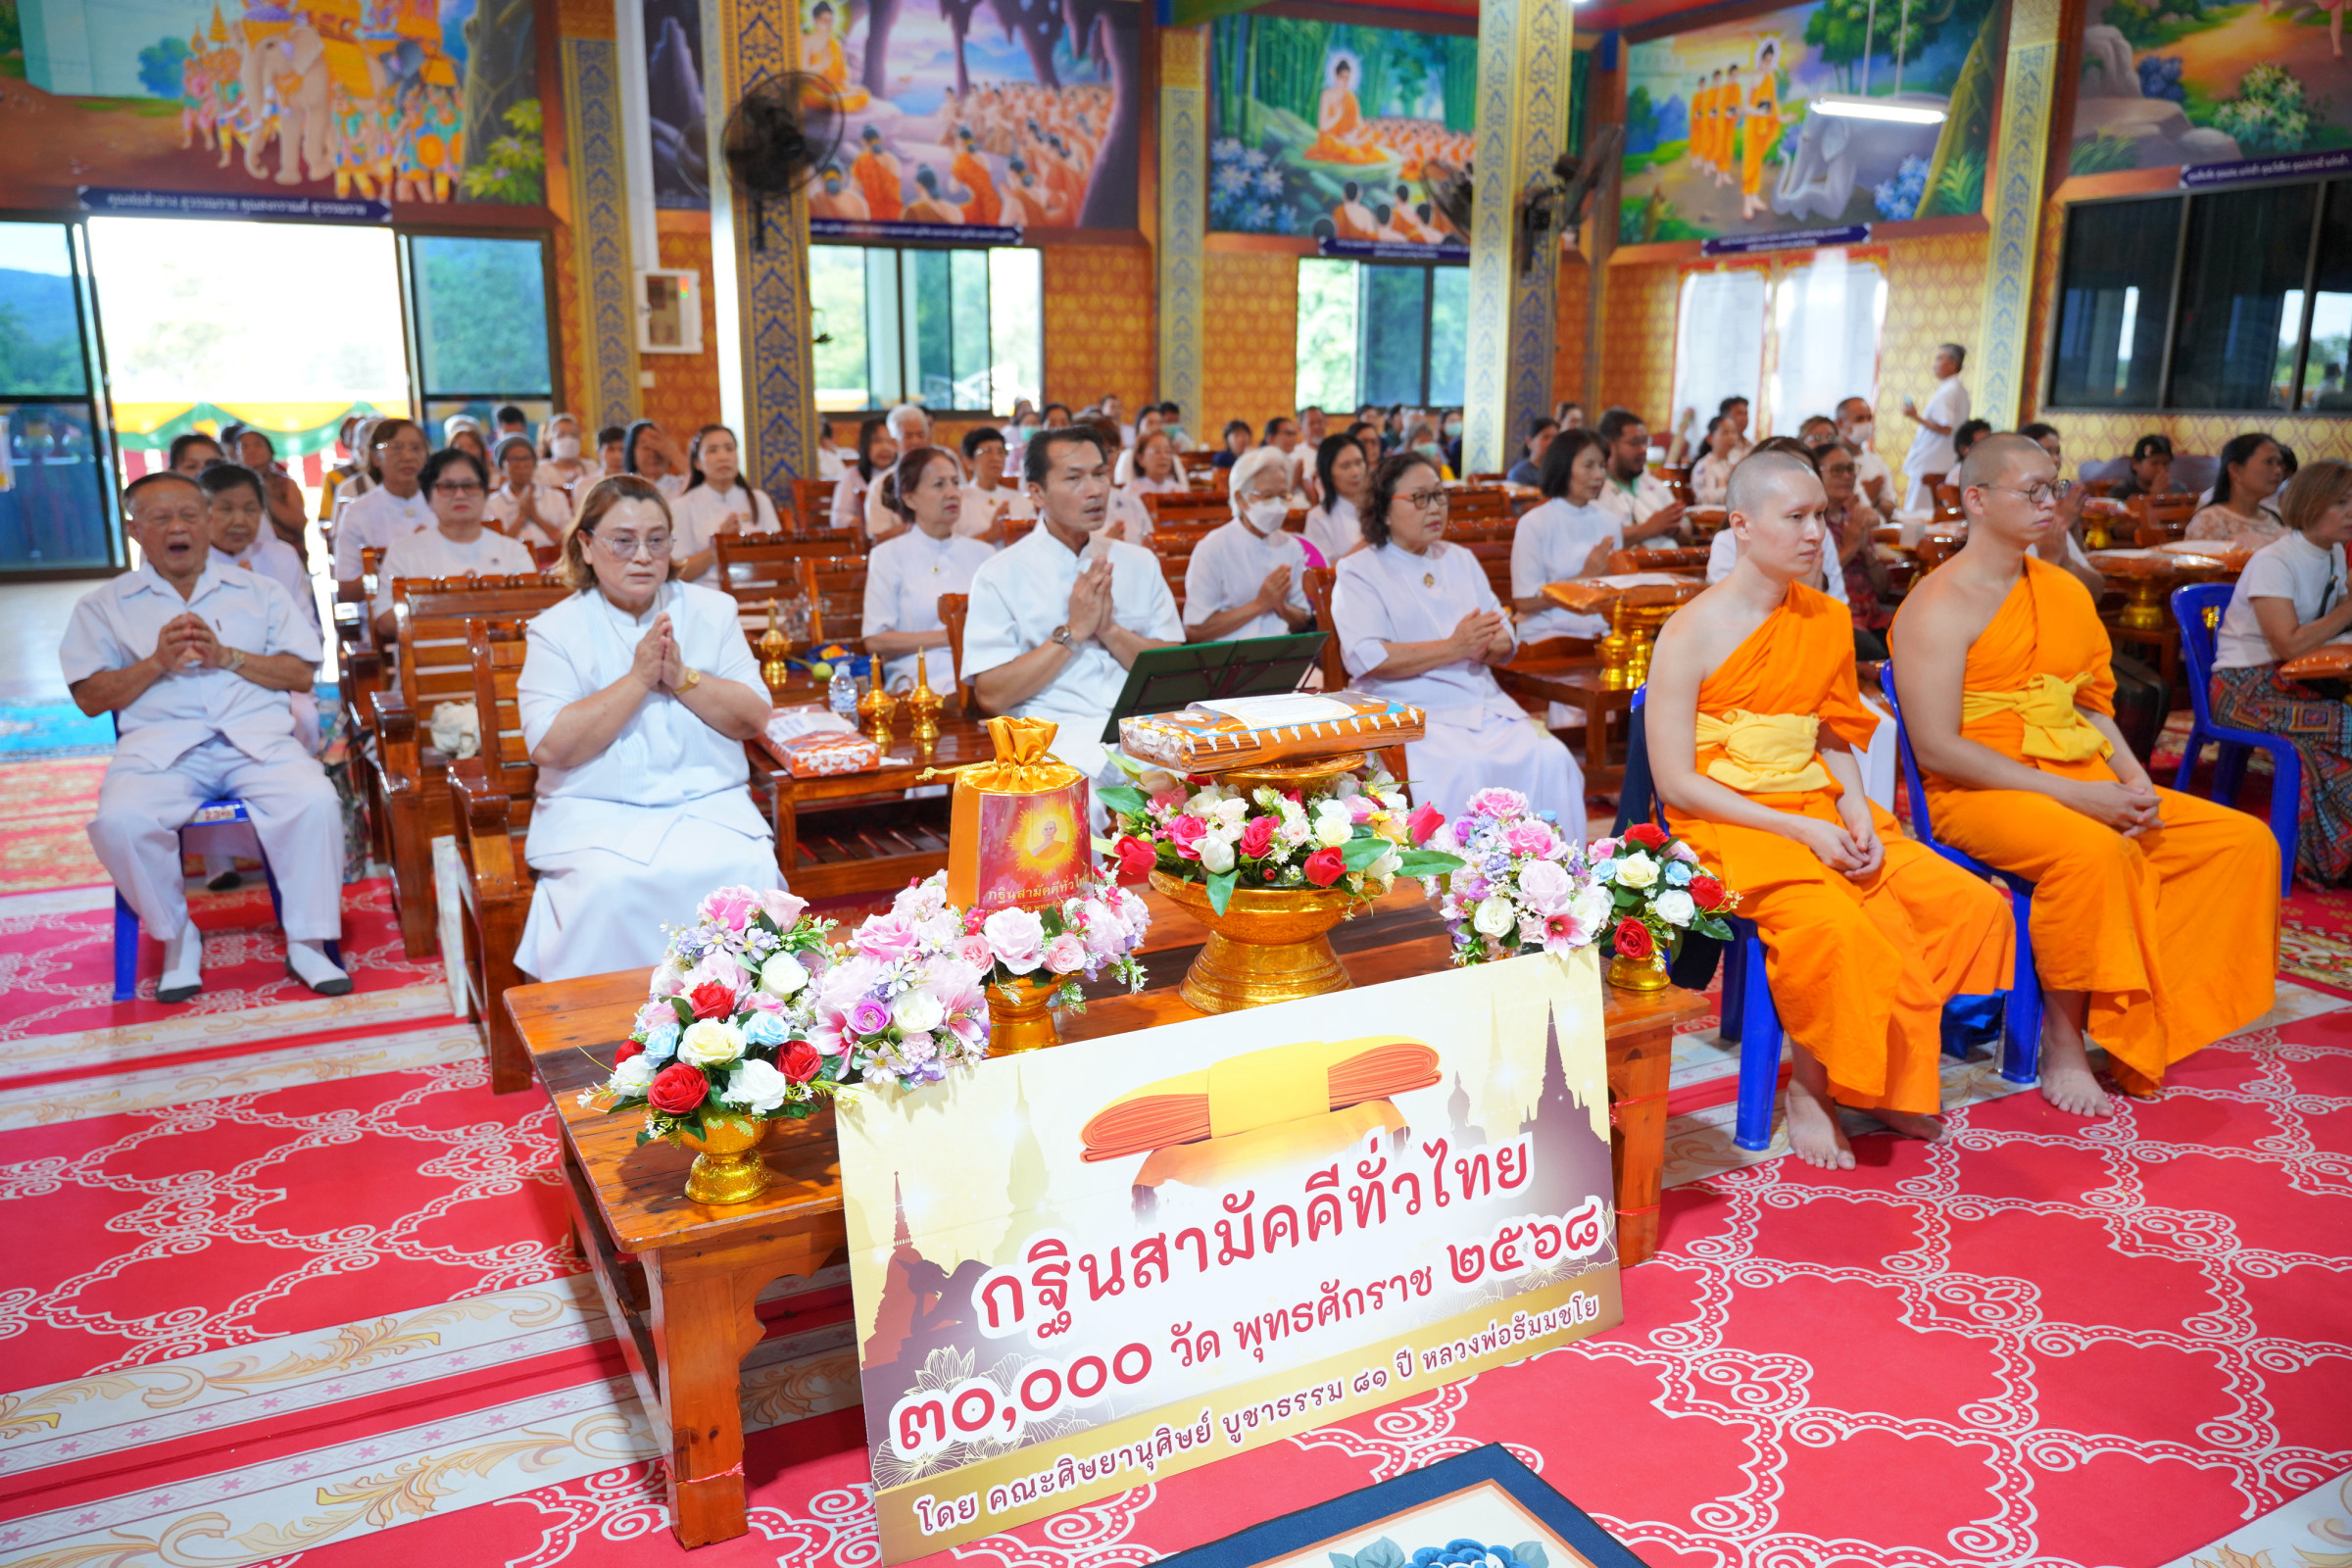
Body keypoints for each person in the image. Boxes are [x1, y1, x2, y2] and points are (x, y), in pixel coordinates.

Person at [1889, 434, 2278, 1114]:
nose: (2052, 503)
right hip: (1983, 789)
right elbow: (1937, 749)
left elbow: (2090, 705)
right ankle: (2064, 1044)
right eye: (2032, 491)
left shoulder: (2062, 590)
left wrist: (2133, 784)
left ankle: (2142, 1017)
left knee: (2242, 843)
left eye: (2055, 487)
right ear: (1975, 500)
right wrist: (2080, 798)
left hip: (2080, 772)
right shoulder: (1937, 603)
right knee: (2095, 851)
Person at [1645, 449, 2011, 1169]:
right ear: (1742, 526)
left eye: (1822, 516)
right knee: (1841, 929)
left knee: (1966, 904)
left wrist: (1855, 816)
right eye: (1797, 517)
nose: (1816, 532)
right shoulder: (1690, 631)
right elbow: (1676, 784)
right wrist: (1801, 829)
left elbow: (1831, 731)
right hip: (1730, 821)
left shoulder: (1825, 617)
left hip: (1815, 806)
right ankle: (1812, 1090)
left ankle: (1876, 1075)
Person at [65, 472, 350, 1002]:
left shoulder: (258, 592)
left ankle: (308, 942)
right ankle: (178, 938)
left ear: (206, 521)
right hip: (160, 751)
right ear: (135, 530)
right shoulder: (105, 605)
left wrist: (228, 657)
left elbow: (301, 675)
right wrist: (156, 662)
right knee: (120, 821)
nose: (179, 528)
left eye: (190, 516)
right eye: (161, 518)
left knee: (315, 801)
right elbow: (89, 698)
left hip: (257, 743)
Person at [514, 475, 780, 982]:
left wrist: (682, 678)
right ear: (586, 545)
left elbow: (754, 716)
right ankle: (597, 1046)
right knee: (607, 887)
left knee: (750, 872)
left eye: (657, 540)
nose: (642, 556)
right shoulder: (556, 629)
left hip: (708, 808)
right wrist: (638, 678)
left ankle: (743, 1041)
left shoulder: (711, 610)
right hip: (594, 813)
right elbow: (550, 745)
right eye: (623, 540)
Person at [1331, 452, 1583, 820]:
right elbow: (1366, 657)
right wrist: (1455, 646)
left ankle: (1549, 872)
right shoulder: (1359, 570)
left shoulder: (1459, 559)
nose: (1434, 508)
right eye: (1420, 498)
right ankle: (1464, 878)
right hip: (1408, 709)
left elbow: (1504, 634)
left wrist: (1495, 643)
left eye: (1439, 495)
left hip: (1482, 702)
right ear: (1383, 510)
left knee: (1555, 758)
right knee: (1467, 766)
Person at [963, 426, 1184, 783]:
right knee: (1108, 791)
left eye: (1100, 474)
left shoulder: (1138, 562)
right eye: (1074, 478)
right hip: (1057, 732)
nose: (1095, 489)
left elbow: (1172, 677)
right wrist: (1073, 631)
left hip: (1143, 724)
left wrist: (1109, 630)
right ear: (1036, 493)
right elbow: (992, 694)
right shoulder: (999, 574)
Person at [2208, 460, 2352, 885]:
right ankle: (2322, 860)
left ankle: (2325, 860)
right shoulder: (2276, 560)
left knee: (2318, 753)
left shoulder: (2333, 555)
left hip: (2290, 683)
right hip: (2244, 689)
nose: (2351, 513)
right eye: (2341, 503)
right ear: (2311, 505)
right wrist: (2347, 609)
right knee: (2346, 725)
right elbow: (2288, 642)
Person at [863, 446, 997, 695]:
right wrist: (949, 637)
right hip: (918, 683)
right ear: (909, 497)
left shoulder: (984, 553)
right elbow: (875, 639)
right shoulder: (888, 556)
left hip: (981, 677)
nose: (952, 493)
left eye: (955, 483)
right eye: (939, 485)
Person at [371, 448, 538, 641]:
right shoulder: (404, 551)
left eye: (469, 485)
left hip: (502, 663)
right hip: (433, 665)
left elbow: (534, 614)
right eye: (448, 486)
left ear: (485, 494)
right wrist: (454, 601)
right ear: (428, 497)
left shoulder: (514, 552)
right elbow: (384, 621)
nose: (460, 495)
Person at [1184, 445, 1312, 644]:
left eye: (1282, 496)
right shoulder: (1212, 548)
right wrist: (1260, 604)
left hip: (1282, 653)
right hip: (1228, 658)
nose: (1278, 506)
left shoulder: (1291, 546)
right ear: (1240, 499)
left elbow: (1302, 619)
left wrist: (1281, 606)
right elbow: (1196, 630)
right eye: (1268, 496)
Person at [1511, 429, 1621, 644]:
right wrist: (1583, 578)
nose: (1599, 475)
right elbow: (1524, 601)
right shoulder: (1534, 523)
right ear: (1563, 467)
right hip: (1546, 637)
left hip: (1599, 633)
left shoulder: (1610, 521)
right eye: (1588, 466)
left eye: (1601, 466)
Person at [202, 464, 318, 638]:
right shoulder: (187, 566)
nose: (240, 521)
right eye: (226, 509)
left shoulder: (282, 557)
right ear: (202, 512)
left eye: (250, 509)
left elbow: (309, 632)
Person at [670, 424, 784, 587]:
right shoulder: (681, 507)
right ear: (697, 463)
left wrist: (742, 546)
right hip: (709, 598)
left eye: (729, 448)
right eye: (713, 450)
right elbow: (678, 572)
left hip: (760, 595)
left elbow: (780, 557)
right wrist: (719, 547)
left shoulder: (759, 500)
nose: (723, 457)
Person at [1818, 439, 1893, 654]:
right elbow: (1812, 582)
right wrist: (1850, 548)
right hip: (1835, 616)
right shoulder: (1811, 522)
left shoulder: (1855, 517)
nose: (1847, 476)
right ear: (1815, 474)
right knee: (1875, 652)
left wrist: (1867, 554)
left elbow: (1883, 589)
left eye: (1851, 469)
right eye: (1838, 470)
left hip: (1873, 615)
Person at [333, 417, 431, 581]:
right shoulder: (357, 513)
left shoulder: (444, 504)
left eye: (415, 448)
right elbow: (347, 587)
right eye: (396, 448)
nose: (407, 456)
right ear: (375, 457)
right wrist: (401, 561)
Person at [865, 404, 959, 542]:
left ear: (929, 438)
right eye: (908, 436)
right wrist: (920, 525)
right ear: (893, 442)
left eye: (920, 435)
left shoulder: (947, 475)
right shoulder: (881, 485)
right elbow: (878, 538)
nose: (915, 441)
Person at [1592, 408, 1687, 542]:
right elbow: (1599, 539)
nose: (1643, 450)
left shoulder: (1654, 485)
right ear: (1610, 446)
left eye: (1644, 442)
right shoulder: (1595, 488)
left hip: (1669, 559)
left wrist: (1676, 528)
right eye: (1635, 443)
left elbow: (1687, 530)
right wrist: (1649, 528)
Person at [1899, 343, 1970, 510]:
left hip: (1931, 461)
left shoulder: (1947, 392)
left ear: (1952, 363)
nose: (1935, 364)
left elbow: (1946, 428)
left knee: (1917, 513)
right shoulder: (1959, 389)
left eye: (1939, 359)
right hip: (1944, 459)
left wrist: (1914, 416)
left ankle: (1912, 537)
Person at [2188, 433, 2289, 549]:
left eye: (2279, 463)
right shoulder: (2210, 521)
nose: (2278, 471)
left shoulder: (2275, 516)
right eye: (2269, 462)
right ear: (2235, 470)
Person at [230, 429, 311, 554]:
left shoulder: (285, 483)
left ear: (270, 451)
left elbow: (298, 523)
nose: (252, 450)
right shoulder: (231, 487)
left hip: (286, 554)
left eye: (258, 444)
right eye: (244, 447)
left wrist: (265, 493)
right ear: (236, 456)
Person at [1304, 432, 1372, 564]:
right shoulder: (1318, 517)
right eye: (1345, 466)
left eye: (1359, 463)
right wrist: (1369, 541)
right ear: (1328, 473)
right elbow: (1322, 574)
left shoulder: (1382, 507)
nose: (1355, 472)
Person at [1107, 429, 1183, 545]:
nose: (1164, 456)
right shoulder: (1131, 491)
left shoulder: (1178, 489)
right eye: (1156, 451)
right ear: (1140, 459)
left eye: (1168, 451)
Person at [959, 426, 1033, 541]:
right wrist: (988, 536)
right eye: (987, 451)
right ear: (969, 461)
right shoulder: (959, 500)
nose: (996, 458)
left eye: (1001, 452)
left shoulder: (1019, 500)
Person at [487, 435, 561, 550]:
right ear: (501, 466)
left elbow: (566, 539)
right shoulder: (491, 504)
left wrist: (535, 516)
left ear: (535, 462)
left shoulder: (556, 497)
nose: (521, 465)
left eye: (526, 458)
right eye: (514, 459)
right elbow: (495, 550)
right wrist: (521, 517)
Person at [834, 417, 898, 531]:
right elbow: (838, 519)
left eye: (890, 441)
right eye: (877, 441)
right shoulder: (852, 476)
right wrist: (875, 522)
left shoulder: (902, 474)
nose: (885, 447)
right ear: (865, 444)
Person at [1836, 396, 1893, 513]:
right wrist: (1868, 495)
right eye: (1859, 419)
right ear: (1840, 423)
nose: (1866, 424)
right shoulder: (1831, 464)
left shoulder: (1876, 461)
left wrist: (1875, 499)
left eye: (1869, 418)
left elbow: (1891, 507)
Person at [623, 419, 691, 500]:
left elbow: (700, 479)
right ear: (632, 452)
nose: (653, 453)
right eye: (647, 447)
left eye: (660, 447)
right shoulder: (622, 488)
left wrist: (673, 453)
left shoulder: (682, 484)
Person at [2111, 434, 2185, 502]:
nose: (2161, 469)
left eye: (2165, 463)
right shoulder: (2121, 493)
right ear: (2135, 464)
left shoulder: (2178, 490)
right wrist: (2154, 497)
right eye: (2154, 463)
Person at [1689, 415, 1742, 506]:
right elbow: (1705, 499)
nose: (1731, 437)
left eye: (1734, 432)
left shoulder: (1732, 463)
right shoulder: (1705, 465)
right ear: (1710, 438)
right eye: (1725, 432)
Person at [538, 413, 594, 494]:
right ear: (550, 440)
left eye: (573, 435)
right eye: (561, 435)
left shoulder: (591, 467)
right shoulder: (540, 470)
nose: (569, 440)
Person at [1505, 419, 1558, 487]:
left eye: (1554, 438)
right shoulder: (1519, 474)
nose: (1551, 442)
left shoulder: (1559, 471)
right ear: (1529, 441)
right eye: (1546, 437)